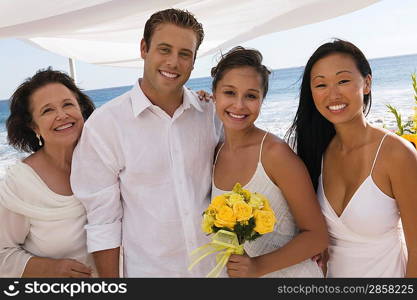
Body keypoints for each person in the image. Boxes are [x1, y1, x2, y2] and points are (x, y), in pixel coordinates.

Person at [70, 9, 221, 277]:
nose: (173, 62)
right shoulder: (106, 125)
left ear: (194, 61)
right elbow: (103, 223)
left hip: (218, 272)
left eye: (184, 54)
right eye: (164, 49)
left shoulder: (210, 113)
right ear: (144, 48)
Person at [286, 39, 417, 277]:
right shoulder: (315, 151)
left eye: (343, 81)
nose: (333, 94)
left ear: (366, 83)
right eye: (321, 85)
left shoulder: (397, 154)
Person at [210, 46, 328, 278]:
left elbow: (317, 236)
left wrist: (258, 266)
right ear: (213, 94)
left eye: (251, 96)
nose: (239, 105)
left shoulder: (275, 154)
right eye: (229, 93)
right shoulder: (215, 152)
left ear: (262, 100)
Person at [0, 68, 96, 277]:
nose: (62, 115)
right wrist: (48, 268)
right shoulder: (20, 184)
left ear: (81, 109)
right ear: (33, 125)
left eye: (68, 104)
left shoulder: (106, 161)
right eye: (47, 110)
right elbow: (2, 253)